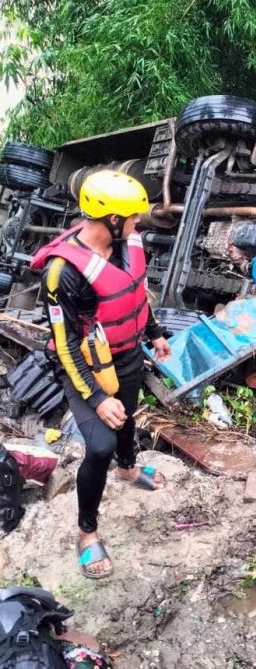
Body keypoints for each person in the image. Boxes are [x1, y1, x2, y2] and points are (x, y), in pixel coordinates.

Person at [30, 170, 172, 580]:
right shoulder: (63, 273)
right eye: (131, 218)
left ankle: (128, 469)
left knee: (127, 413)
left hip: (127, 356)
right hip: (84, 366)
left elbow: (135, 292)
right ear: (111, 219)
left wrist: (156, 333)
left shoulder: (126, 245)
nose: (137, 224)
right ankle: (86, 533)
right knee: (99, 444)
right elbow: (66, 344)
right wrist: (95, 397)